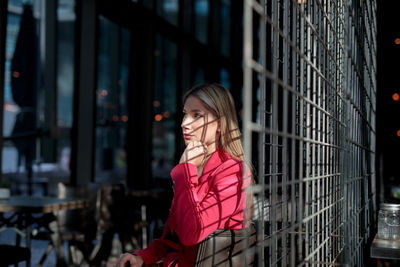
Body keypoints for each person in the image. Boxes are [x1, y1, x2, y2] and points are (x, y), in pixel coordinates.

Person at [115, 83, 253, 267]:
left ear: (220, 123)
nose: (184, 124)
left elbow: (192, 234)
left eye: (196, 115)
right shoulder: (197, 167)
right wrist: (142, 257)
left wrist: (185, 171)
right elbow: (173, 239)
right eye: (185, 114)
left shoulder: (233, 171)